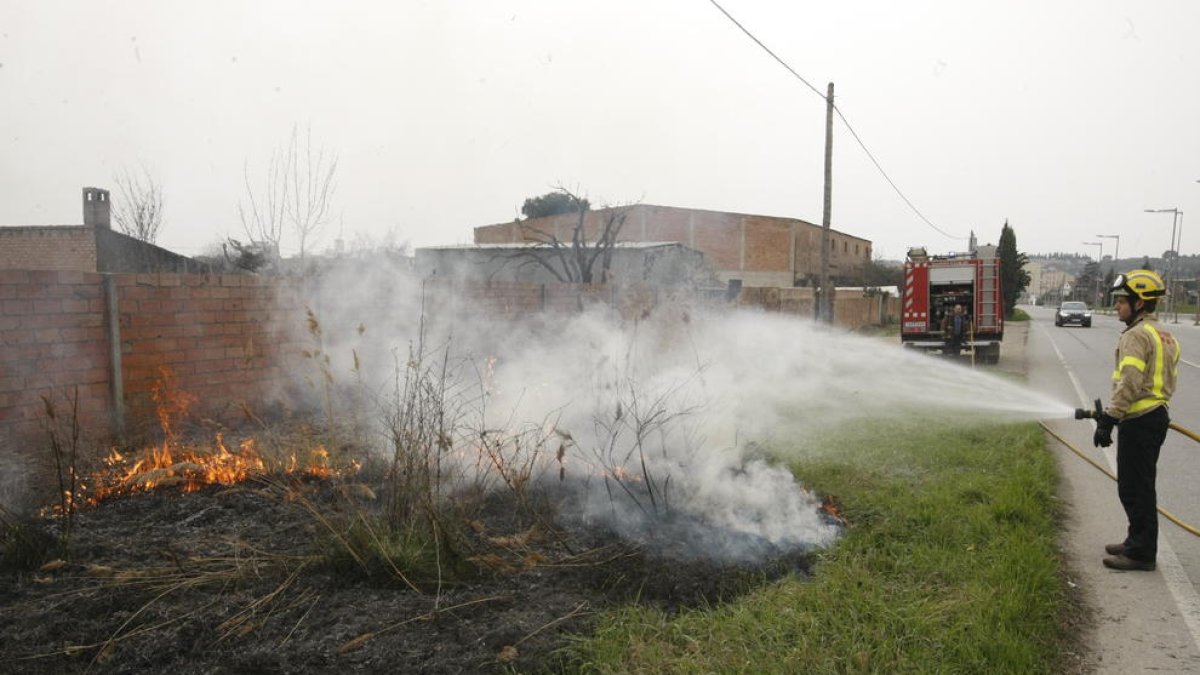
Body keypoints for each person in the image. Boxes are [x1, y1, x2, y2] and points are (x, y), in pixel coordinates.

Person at [1094, 269, 1180, 572]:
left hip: (1140, 419)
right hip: (1155, 416)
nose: (1117, 305)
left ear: (1140, 303)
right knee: (1139, 485)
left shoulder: (1135, 336)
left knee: (1134, 488)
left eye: (1122, 301)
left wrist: (1109, 419)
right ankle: (1135, 541)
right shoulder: (1164, 335)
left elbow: (1129, 382)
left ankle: (1141, 553)